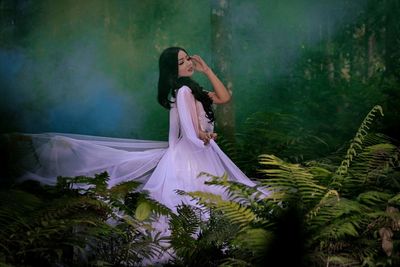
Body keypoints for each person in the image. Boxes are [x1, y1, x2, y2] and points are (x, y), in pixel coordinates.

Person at [13, 46, 259, 212]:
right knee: (198, 203)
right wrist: (205, 136)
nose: (187, 64)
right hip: (193, 154)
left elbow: (224, 98)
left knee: (210, 201)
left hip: (202, 150)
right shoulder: (183, 91)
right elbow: (192, 131)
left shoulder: (193, 89)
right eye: (180, 62)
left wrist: (207, 70)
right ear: (173, 70)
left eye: (187, 59)